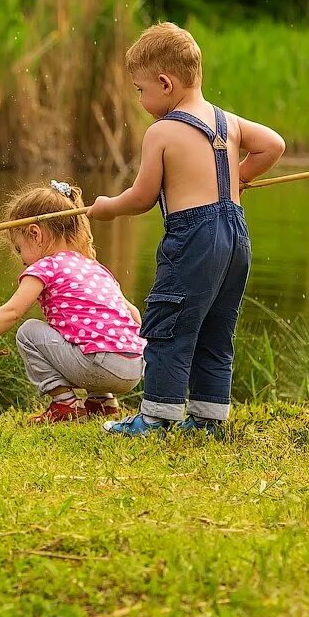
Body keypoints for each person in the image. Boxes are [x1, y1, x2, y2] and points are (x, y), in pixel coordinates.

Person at [90, 22, 286, 436]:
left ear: (165, 83)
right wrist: (238, 179)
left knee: (170, 325)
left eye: (141, 90)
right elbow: (274, 145)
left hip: (193, 237)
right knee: (217, 328)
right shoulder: (226, 121)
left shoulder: (162, 131)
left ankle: (158, 416)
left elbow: (142, 198)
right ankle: (209, 418)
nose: (141, 98)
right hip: (235, 236)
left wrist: (108, 208)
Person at [0, 181, 145, 423]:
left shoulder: (46, 267)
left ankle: (65, 405)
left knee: (28, 332)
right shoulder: (94, 267)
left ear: (35, 233)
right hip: (133, 369)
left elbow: (11, 312)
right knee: (84, 331)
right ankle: (102, 402)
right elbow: (133, 314)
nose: (22, 260)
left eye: (19, 250)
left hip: (101, 367)